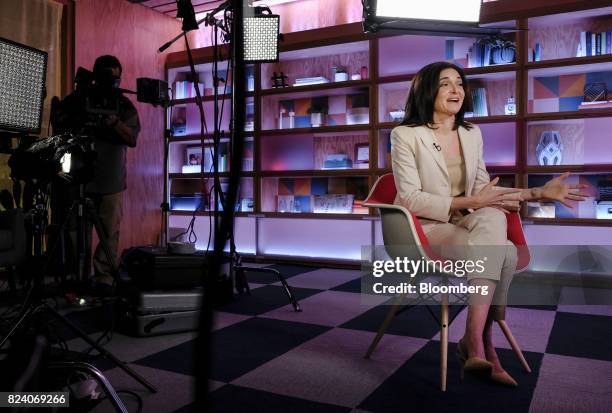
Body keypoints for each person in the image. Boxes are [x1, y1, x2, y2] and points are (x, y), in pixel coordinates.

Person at [390, 61, 587, 386]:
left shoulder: (471, 133)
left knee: (494, 218)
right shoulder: (405, 135)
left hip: (465, 221)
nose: (456, 90)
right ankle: (483, 343)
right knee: (504, 253)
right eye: (445, 84)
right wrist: (473, 203)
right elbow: (410, 198)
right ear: (427, 90)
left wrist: (538, 191)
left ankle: (474, 340)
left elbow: (484, 190)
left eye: (459, 83)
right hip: (421, 228)